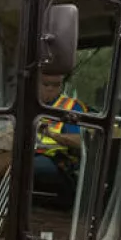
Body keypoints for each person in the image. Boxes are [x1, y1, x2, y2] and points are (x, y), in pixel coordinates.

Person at [33, 72, 84, 209]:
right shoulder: (27, 103)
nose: (50, 89)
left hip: (58, 163)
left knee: (21, 165)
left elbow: (80, 141)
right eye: (46, 84)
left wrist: (51, 134)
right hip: (29, 155)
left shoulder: (70, 107)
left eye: (56, 85)